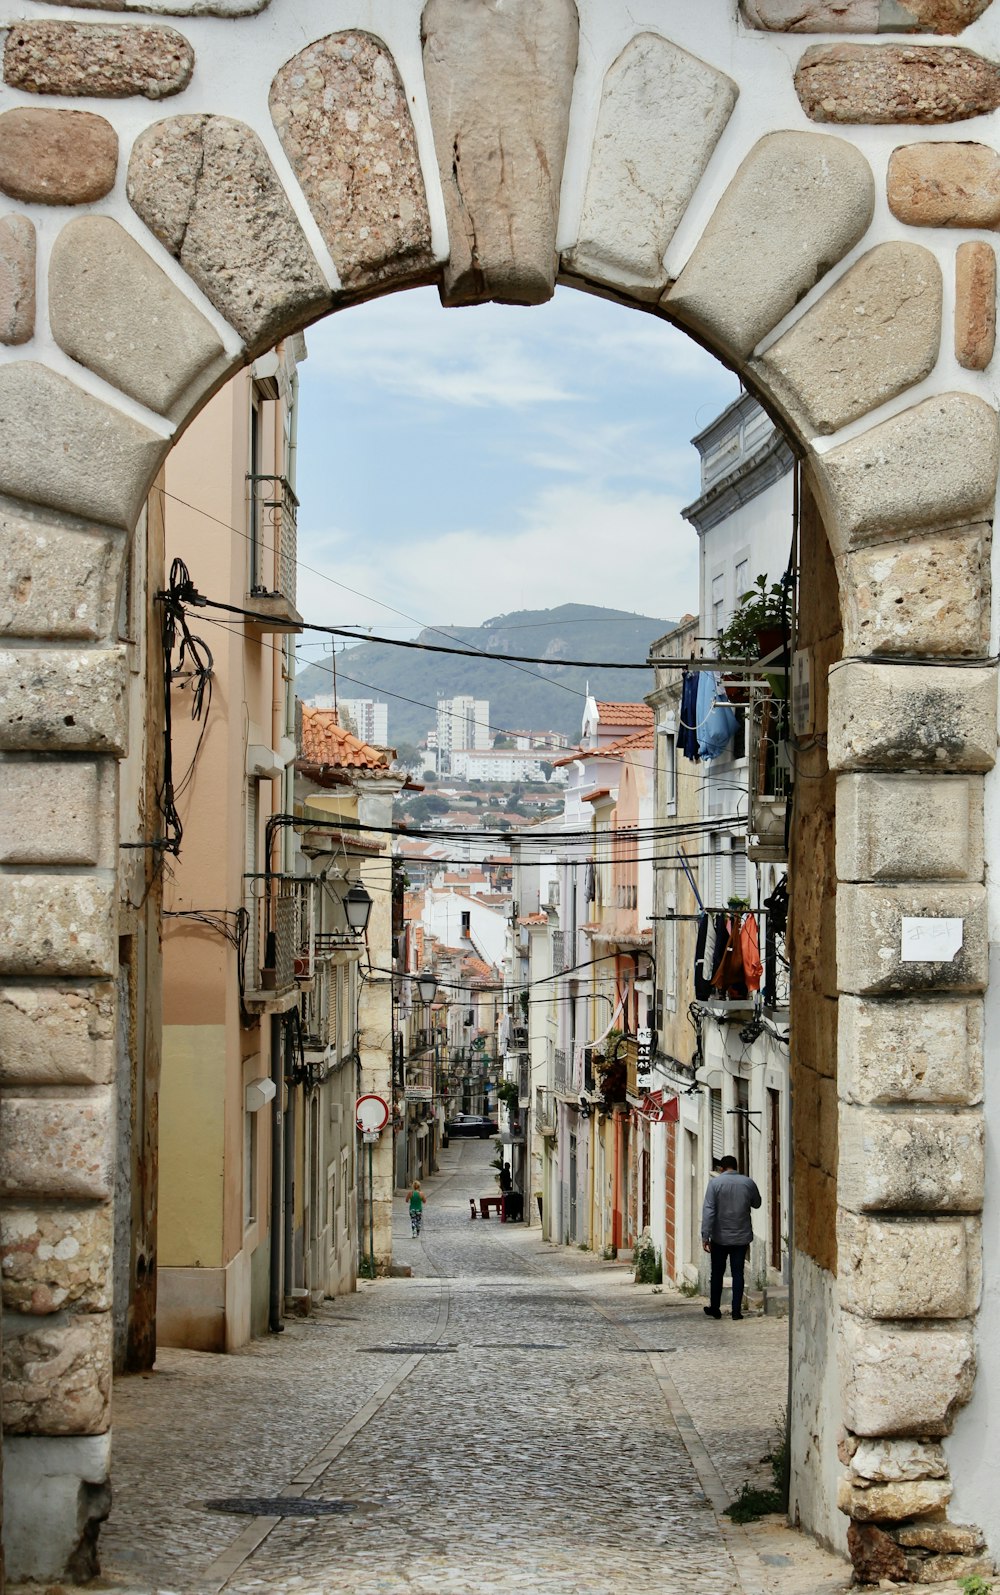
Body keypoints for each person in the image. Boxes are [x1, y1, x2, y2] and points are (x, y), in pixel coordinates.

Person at [701, 1155, 761, 1320]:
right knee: (738, 1273)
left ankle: (715, 1308)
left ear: (721, 1168)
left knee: (717, 1273)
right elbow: (757, 1203)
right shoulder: (748, 1183)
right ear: (736, 1166)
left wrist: (705, 1236)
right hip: (741, 1237)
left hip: (719, 1237)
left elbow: (709, 1211)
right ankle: (736, 1311)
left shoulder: (715, 1184)